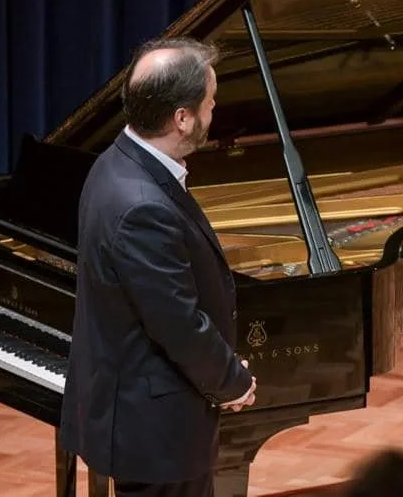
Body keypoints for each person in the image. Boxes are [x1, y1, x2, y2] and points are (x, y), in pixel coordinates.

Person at [60, 37, 257, 497]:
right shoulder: (142, 207)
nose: (214, 112)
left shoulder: (113, 164)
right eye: (209, 103)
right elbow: (178, 324)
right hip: (157, 428)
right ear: (182, 118)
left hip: (132, 409)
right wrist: (232, 383)